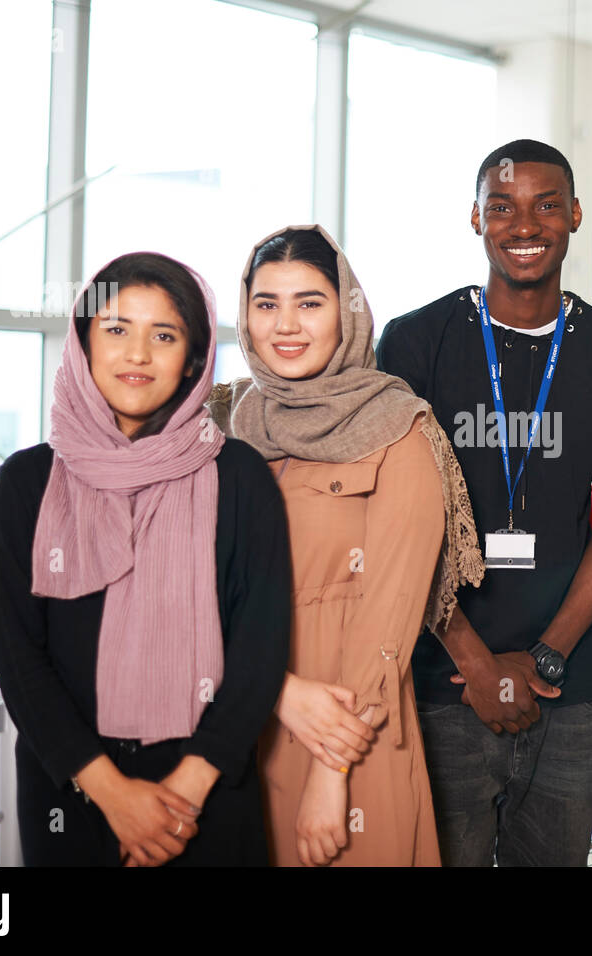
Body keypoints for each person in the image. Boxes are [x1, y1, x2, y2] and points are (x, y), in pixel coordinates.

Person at [375, 139, 592, 866]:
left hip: (566, 692)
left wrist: (546, 659)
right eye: (502, 206)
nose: (523, 224)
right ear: (475, 218)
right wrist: (474, 662)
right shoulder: (413, 342)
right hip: (442, 684)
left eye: (545, 206)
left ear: (575, 217)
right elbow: (396, 523)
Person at [0, 252, 290, 866]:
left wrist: (186, 792)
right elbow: (18, 661)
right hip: (71, 792)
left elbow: (261, 649)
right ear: (83, 340)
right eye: (116, 329)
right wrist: (114, 796)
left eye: (164, 335)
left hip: (210, 796)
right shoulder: (26, 483)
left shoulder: (241, 477)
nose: (137, 354)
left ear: (194, 359)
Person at [207, 225, 483, 866]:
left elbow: (388, 620)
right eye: (266, 303)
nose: (286, 324)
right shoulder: (224, 425)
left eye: (310, 302)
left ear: (347, 311)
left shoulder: (397, 428)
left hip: (352, 729)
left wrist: (331, 777)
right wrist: (269, 692)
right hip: (238, 723)